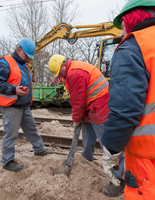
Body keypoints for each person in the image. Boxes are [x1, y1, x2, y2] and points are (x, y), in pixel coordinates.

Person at [101, 0, 155, 199]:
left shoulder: (132, 46)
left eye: (122, 25)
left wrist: (111, 146)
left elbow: (125, 108)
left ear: (133, 17)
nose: (122, 33)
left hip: (148, 151)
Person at [48, 54, 125, 196]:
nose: (60, 76)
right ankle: (87, 158)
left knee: (107, 143)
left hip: (99, 105)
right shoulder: (72, 70)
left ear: (64, 64)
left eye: (60, 72)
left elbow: (77, 100)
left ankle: (119, 178)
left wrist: (76, 119)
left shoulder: (74, 73)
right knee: (88, 136)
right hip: (91, 104)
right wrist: (79, 117)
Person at [0, 38, 53, 173]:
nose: (28, 59)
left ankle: (39, 150)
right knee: (11, 134)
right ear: (19, 50)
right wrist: (14, 89)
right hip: (11, 106)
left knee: (31, 129)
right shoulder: (5, 63)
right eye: (27, 56)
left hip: (23, 105)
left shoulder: (23, 65)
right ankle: (7, 161)